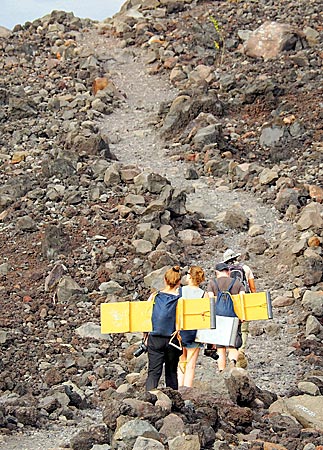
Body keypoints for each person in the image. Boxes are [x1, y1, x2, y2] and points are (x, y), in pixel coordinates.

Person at [145, 266, 182, 391]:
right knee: (171, 372)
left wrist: (145, 337)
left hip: (155, 338)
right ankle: (174, 401)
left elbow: (145, 318)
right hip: (173, 339)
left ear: (165, 280)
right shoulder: (181, 299)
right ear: (179, 282)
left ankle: (149, 397)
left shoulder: (154, 296)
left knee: (153, 372)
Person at [207, 262, 245, 371]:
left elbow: (210, 302)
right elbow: (243, 300)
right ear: (228, 271)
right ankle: (232, 364)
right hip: (233, 318)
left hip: (218, 319)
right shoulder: (237, 283)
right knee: (233, 345)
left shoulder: (212, 283)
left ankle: (221, 371)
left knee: (220, 348)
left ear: (216, 272)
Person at [222, 249, 256, 367]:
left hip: (230, 302)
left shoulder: (225, 272)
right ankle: (241, 350)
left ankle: (233, 351)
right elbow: (252, 287)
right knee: (244, 328)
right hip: (244, 300)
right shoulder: (245, 268)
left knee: (232, 327)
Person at [178, 266, 209, 388]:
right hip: (195, 332)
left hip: (180, 330)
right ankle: (187, 390)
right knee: (191, 365)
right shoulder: (204, 294)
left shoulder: (180, 291)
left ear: (190, 276)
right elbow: (206, 317)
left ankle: (179, 388)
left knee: (181, 362)